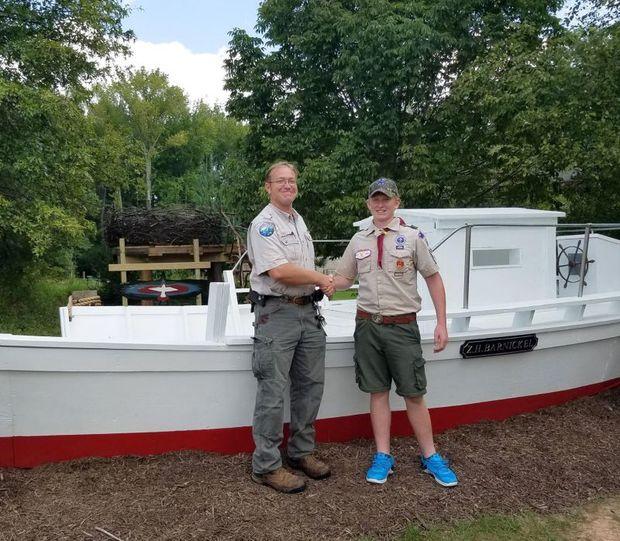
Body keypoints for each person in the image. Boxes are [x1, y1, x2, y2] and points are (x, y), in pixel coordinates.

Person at [332, 178, 458, 487]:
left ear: (396, 202)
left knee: (414, 394)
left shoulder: (413, 238)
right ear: (368, 204)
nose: (380, 204)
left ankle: (430, 456)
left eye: (386, 199)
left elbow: (433, 279)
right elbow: (343, 280)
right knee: (378, 393)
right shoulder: (358, 240)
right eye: (375, 199)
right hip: (367, 327)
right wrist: (318, 283)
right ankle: (383, 456)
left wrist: (442, 322)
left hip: (402, 327)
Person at [247, 161, 335, 494]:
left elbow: (299, 267)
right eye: (280, 180)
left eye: (292, 180)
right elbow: (280, 272)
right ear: (268, 186)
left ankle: (301, 452)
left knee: (310, 387)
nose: (287, 185)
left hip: (307, 312)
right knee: (272, 392)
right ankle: (266, 466)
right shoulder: (264, 224)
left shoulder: (297, 220)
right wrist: (321, 278)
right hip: (277, 314)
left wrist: (319, 284)